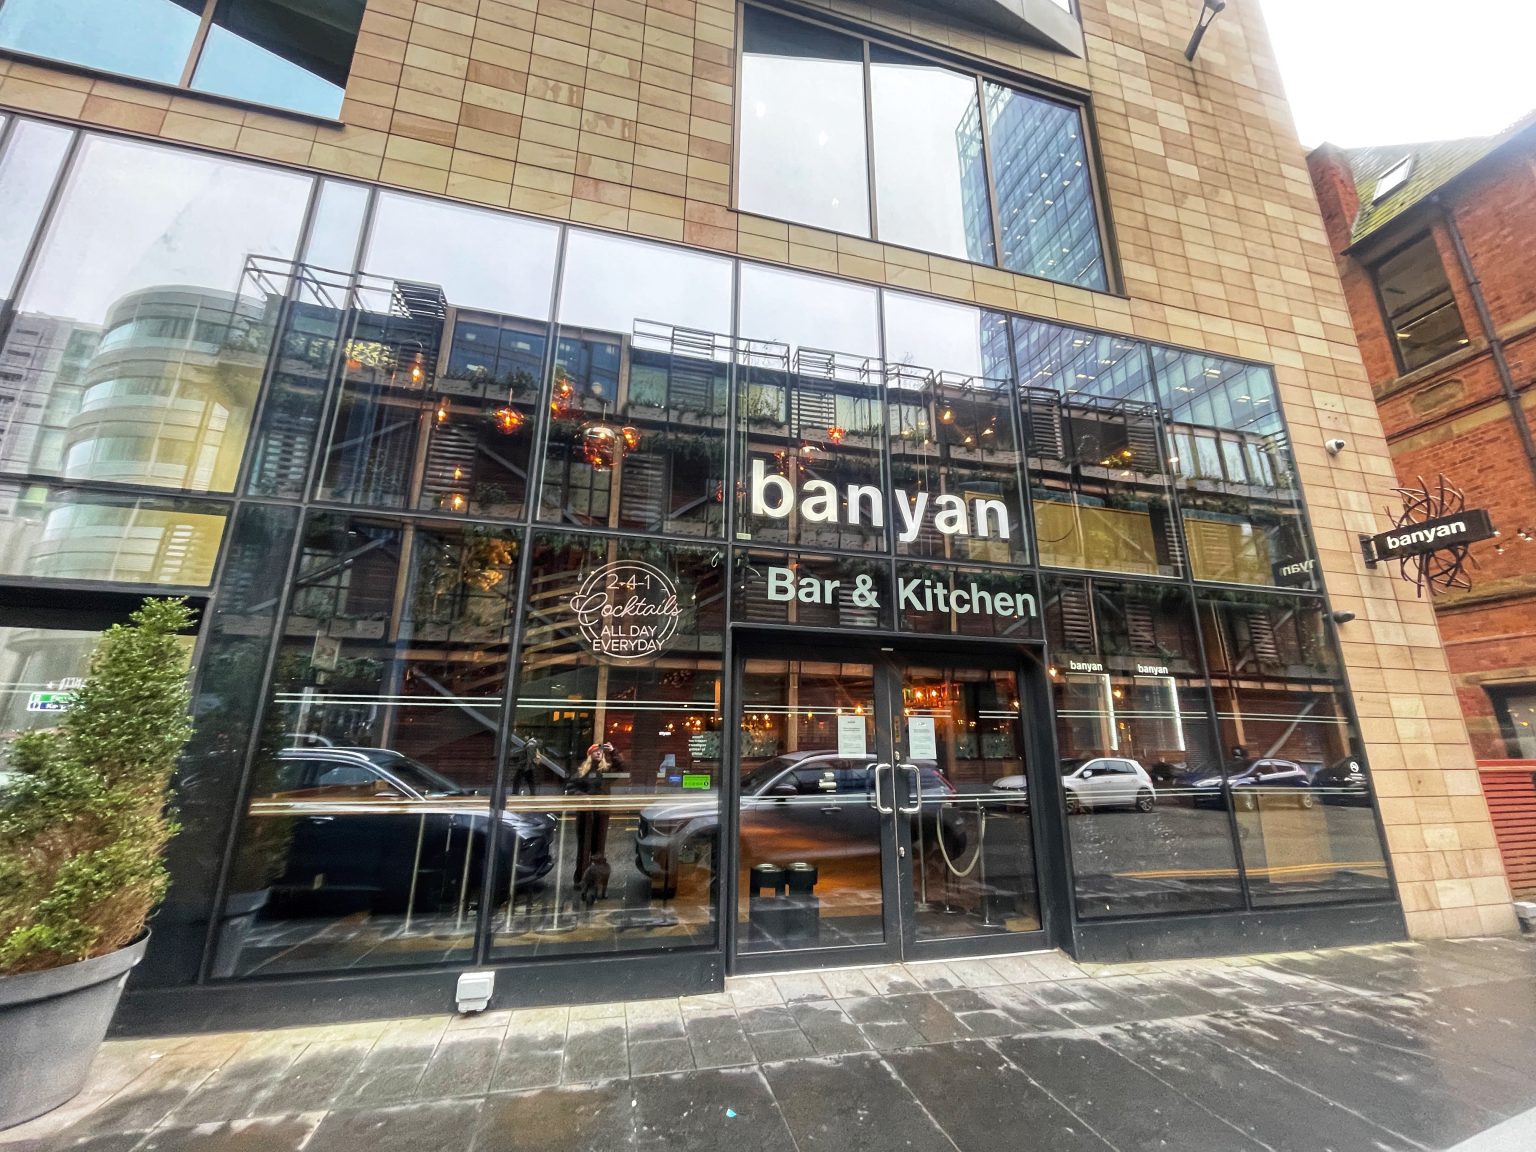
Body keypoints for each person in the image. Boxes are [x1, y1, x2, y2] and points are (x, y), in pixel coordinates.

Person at [567, 742, 615, 888]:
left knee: (599, 850)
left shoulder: (606, 771)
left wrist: (613, 752)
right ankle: (580, 880)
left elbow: (622, 767)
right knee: (584, 849)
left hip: (601, 814)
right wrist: (583, 797)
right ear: (590, 754)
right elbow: (570, 788)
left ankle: (596, 881)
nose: (599, 753)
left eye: (601, 751)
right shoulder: (582, 771)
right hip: (585, 815)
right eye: (596, 751)